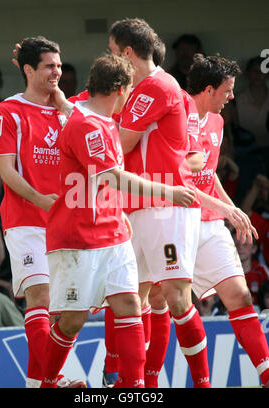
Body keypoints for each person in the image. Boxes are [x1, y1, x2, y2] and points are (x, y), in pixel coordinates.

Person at [40, 52, 195, 389]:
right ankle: (46, 382)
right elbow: (113, 178)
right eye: (129, 89)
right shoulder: (88, 126)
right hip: (78, 239)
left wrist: (121, 214)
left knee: (128, 304)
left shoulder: (101, 119)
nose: (131, 96)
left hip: (112, 235)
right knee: (72, 321)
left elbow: (105, 183)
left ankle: (134, 387)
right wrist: (168, 192)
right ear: (119, 88)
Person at [107, 18, 211, 388]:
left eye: (113, 52)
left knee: (176, 296)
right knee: (131, 297)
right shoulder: (144, 89)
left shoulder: (156, 86)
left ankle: (201, 383)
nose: (112, 59)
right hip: (139, 205)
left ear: (128, 52)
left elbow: (121, 143)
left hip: (165, 208)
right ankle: (137, 385)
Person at [0, 36, 85, 389]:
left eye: (59, 65)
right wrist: (43, 200)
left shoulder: (69, 111)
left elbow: (95, 148)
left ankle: (39, 383)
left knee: (72, 311)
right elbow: (7, 173)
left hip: (68, 223)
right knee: (40, 298)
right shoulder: (7, 111)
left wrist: (63, 106)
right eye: (49, 66)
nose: (57, 72)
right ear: (28, 70)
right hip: (27, 221)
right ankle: (54, 378)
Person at [186, 53, 269, 387]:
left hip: (209, 224)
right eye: (228, 90)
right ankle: (129, 379)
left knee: (240, 295)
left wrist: (229, 207)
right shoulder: (177, 120)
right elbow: (181, 183)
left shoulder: (218, 123)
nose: (232, 97)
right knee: (163, 305)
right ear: (209, 90)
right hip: (173, 222)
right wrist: (227, 210)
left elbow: (207, 176)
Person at [232, 230, 268, 312]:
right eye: (236, 244)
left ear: (254, 248)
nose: (240, 248)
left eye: (245, 244)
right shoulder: (223, 271)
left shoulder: (261, 271)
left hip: (259, 313)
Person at [241, 174, 269, 268]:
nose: (266, 192)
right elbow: (244, 213)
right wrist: (256, 186)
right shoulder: (264, 220)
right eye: (264, 189)